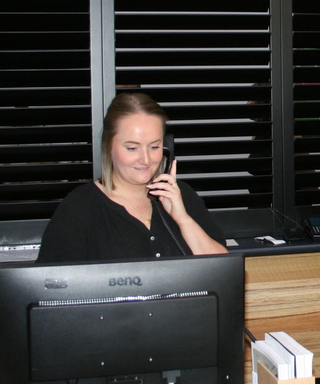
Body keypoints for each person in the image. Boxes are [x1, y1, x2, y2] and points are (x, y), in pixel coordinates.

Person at [37, 93, 228, 263]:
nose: (145, 159)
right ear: (109, 146)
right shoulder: (80, 208)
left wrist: (182, 218)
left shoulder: (182, 196)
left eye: (154, 147)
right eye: (132, 148)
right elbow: (51, 289)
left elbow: (223, 271)